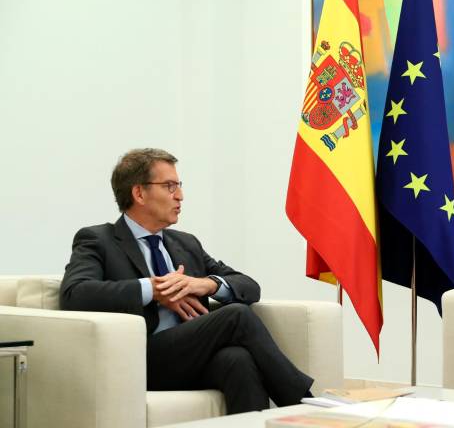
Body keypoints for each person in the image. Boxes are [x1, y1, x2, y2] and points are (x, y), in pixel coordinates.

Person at [61, 148, 313, 413]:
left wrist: (205, 284)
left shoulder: (185, 243)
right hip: (143, 358)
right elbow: (75, 294)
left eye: (178, 186)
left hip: (190, 355)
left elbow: (249, 286)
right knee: (236, 316)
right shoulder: (98, 240)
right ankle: (304, 405)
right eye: (169, 186)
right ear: (139, 193)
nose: (180, 195)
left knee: (237, 359)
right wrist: (153, 289)